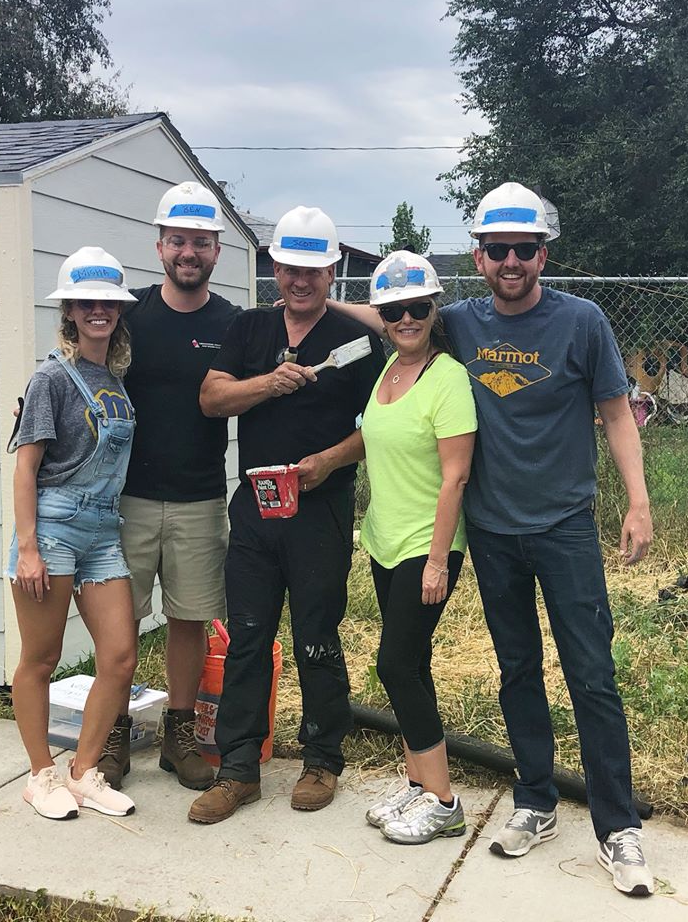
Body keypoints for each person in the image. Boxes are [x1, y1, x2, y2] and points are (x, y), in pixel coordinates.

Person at [333, 183, 654, 896]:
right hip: (495, 531)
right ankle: (535, 800)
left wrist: (638, 500)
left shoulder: (582, 322)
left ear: (544, 253)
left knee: (591, 674)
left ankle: (617, 826)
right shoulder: (460, 324)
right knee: (517, 670)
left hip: (566, 526)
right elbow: (396, 317)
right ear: (478, 258)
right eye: (499, 250)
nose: (512, 261)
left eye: (525, 249)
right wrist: (314, 296)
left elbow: (616, 414)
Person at [188, 206, 386, 824]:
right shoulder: (249, 330)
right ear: (276, 267)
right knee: (248, 635)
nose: (301, 280)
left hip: (321, 509)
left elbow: (378, 429)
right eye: (291, 267)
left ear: (333, 271)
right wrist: (267, 384)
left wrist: (329, 462)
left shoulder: (356, 346)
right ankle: (239, 768)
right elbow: (211, 397)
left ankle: (322, 758)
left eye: (315, 269)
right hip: (255, 509)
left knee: (317, 635)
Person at [97, 182, 242, 792]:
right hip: (127, 497)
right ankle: (111, 734)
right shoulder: (128, 317)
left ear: (217, 252)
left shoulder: (233, 324)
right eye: (178, 240)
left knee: (189, 619)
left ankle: (178, 735)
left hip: (201, 496)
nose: (189, 252)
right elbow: (78, 378)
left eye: (201, 243)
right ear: (159, 247)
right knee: (120, 622)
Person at [7, 247, 138, 821]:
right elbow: (26, 467)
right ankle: (40, 775)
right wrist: (29, 547)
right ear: (69, 311)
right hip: (55, 527)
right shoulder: (50, 378)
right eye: (86, 302)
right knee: (42, 657)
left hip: (104, 530)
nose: (97, 311)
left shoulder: (114, 377)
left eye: (106, 302)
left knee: (120, 655)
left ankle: (84, 773)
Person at [359, 252, 477, 844]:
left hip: (426, 548)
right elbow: (371, 439)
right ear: (381, 316)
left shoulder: (448, 378)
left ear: (434, 311)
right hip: (384, 542)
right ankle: (415, 782)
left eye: (417, 309)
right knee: (415, 664)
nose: (406, 318)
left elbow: (455, 476)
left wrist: (436, 560)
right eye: (394, 310)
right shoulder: (387, 373)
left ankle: (444, 801)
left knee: (396, 663)